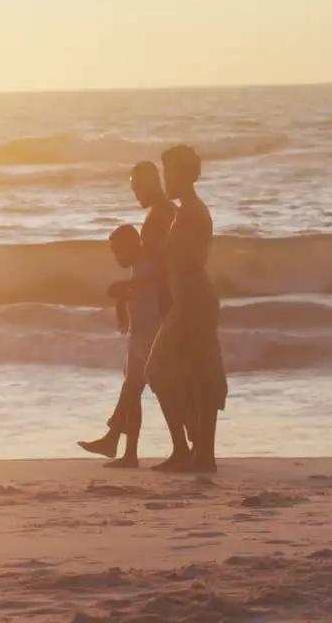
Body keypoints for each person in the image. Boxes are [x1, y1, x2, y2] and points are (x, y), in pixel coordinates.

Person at [77, 162, 175, 465]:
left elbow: (160, 270)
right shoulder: (158, 216)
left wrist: (125, 287)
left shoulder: (160, 216)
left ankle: (120, 438)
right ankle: (125, 448)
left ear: (149, 182)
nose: (135, 195)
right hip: (146, 316)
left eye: (136, 188)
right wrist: (123, 301)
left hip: (153, 318)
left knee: (145, 385)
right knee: (134, 383)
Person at [144, 144, 227, 473]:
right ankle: (193, 450)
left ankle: (197, 452)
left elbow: (191, 262)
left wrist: (185, 307)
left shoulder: (193, 212)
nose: (166, 180)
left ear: (185, 175)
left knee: (181, 371)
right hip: (188, 300)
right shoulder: (185, 210)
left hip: (194, 301)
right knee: (184, 372)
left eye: (170, 173)